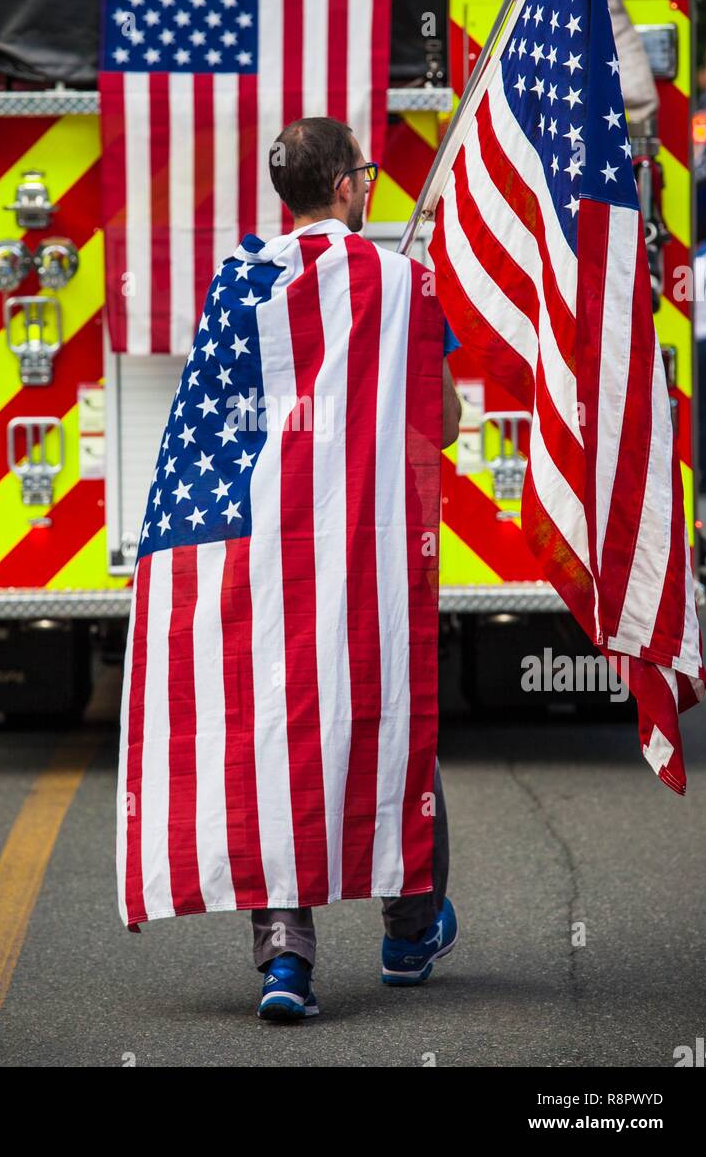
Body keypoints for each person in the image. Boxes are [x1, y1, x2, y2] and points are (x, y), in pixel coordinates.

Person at [253, 116, 461, 1022]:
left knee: (279, 735)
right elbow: (445, 422)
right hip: (375, 549)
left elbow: (220, 430)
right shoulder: (406, 283)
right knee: (388, 723)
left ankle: (285, 961)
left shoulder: (238, 285)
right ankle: (409, 931)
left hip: (273, 552)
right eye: (365, 175)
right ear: (346, 186)